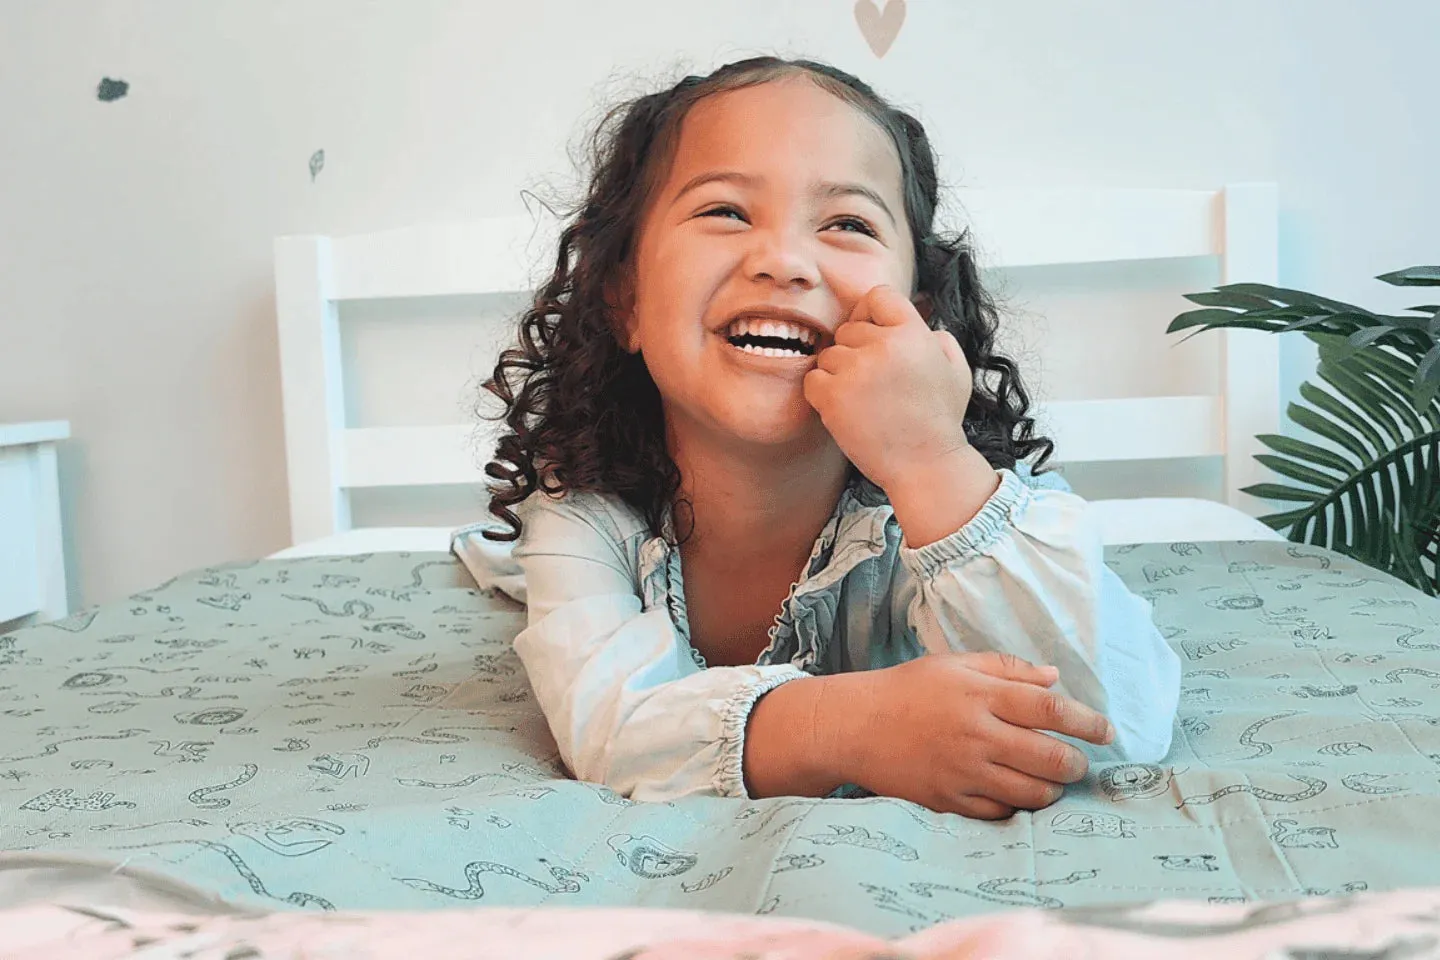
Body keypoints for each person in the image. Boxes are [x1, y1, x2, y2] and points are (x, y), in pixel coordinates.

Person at [454, 55, 1181, 820]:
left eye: (848, 224)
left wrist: (933, 463)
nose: (784, 262)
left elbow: (1116, 723)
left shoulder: (963, 507)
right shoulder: (584, 511)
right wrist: (851, 729)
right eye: (726, 212)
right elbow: (608, 726)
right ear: (625, 297)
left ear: (919, 313)